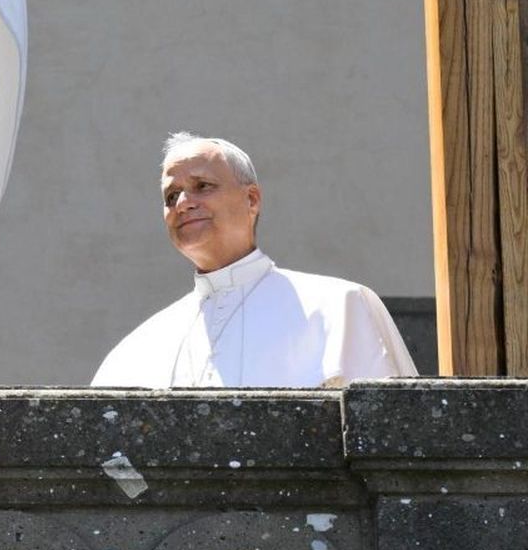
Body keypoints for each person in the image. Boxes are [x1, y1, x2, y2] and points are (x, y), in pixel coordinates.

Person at [91, 132, 417, 388]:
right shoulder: (138, 347)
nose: (183, 203)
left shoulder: (338, 307)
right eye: (170, 196)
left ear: (252, 199)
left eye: (202, 186)